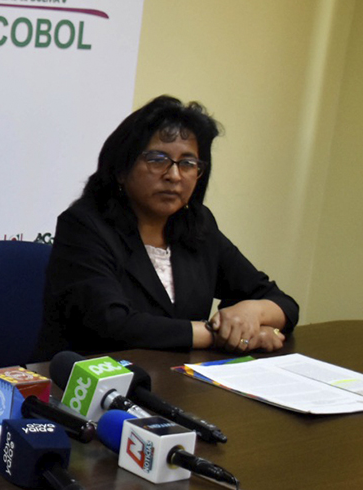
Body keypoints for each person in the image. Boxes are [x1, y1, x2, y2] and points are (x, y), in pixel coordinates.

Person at [35, 95, 298, 359]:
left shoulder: (199, 226)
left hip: (177, 382)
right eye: (158, 159)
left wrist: (252, 314)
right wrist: (221, 334)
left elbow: (283, 303)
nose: (174, 175)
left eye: (187, 163)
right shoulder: (84, 226)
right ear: (121, 169)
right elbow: (112, 323)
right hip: (90, 385)